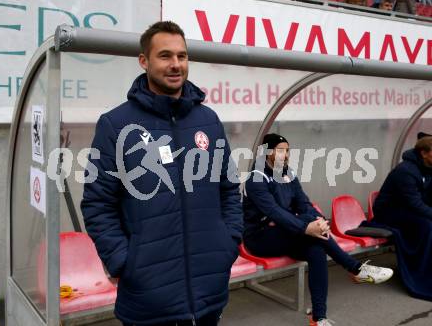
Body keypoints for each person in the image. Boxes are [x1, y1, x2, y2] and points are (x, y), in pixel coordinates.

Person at [81, 21, 243, 326]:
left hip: (209, 291)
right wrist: (124, 263)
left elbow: (229, 187)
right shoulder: (115, 125)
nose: (176, 65)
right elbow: (97, 203)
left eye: (182, 56)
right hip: (148, 300)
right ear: (144, 61)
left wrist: (228, 242)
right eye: (165, 56)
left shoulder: (208, 120)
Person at [242, 133, 393, 326]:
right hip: (260, 237)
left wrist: (319, 221)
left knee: (317, 250)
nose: (285, 155)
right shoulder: (256, 179)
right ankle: (355, 269)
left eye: (287, 150)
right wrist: (306, 227)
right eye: (280, 150)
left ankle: (318, 318)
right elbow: (274, 213)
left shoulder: (289, 173)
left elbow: (303, 203)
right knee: (314, 236)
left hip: (286, 231)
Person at [371, 135, 432, 301]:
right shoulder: (405, 171)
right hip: (389, 213)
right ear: (424, 153)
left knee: (426, 222)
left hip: (407, 210)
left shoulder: (428, 168)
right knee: (426, 225)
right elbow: (415, 204)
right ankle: (421, 275)